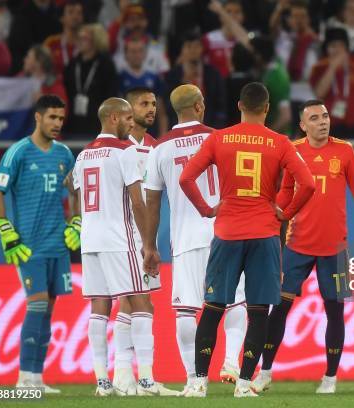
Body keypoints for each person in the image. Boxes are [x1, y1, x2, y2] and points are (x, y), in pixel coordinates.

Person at [252, 100, 354, 394]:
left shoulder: (345, 151)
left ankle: (330, 378)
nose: (322, 121)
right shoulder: (293, 150)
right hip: (297, 245)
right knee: (280, 309)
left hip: (335, 247)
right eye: (314, 118)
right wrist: (268, 220)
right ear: (302, 125)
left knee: (334, 313)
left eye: (324, 116)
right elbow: (285, 192)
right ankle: (266, 371)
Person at [174, 82, 315, 397]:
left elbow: (185, 178)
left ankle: (197, 383)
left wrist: (207, 209)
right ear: (266, 108)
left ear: (240, 106)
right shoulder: (280, 142)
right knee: (257, 311)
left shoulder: (219, 138)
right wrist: (285, 213)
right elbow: (307, 184)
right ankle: (244, 384)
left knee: (212, 308)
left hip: (227, 233)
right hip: (264, 235)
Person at [143, 84, 248, 393]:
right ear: (200, 106)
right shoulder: (221, 138)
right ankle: (231, 361)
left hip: (186, 238)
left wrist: (150, 246)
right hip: (226, 232)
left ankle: (194, 380)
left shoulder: (159, 148)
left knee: (186, 308)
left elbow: (152, 202)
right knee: (236, 300)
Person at [71, 98, 167, 396]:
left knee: (99, 307)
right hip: (119, 238)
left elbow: (73, 190)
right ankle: (147, 380)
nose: (131, 122)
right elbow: (138, 201)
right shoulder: (125, 151)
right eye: (126, 118)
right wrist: (148, 244)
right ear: (113, 118)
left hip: (90, 239)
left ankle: (103, 382)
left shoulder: (83, 155)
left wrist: (81, 220)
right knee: (142, 303)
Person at [0, 95, 78, 393]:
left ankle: (37, 378)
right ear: (38, 117)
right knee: (37, 303)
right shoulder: (19, 152)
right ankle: (24, 377)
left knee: (48, 309)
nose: (57, 124)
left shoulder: (65, 154)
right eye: (52, 117)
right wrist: (5, 229)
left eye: (61, 119)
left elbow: (74, 190)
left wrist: (76, 221)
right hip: (29, 244)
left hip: (57, 244)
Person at [310, 28, 354, 141]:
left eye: (340, 45)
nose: (337, 50)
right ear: (326, 49)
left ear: (347, 48)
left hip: (353, 127)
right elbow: (319, 93)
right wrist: (333, 67)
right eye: (333, 46)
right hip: (328, 126)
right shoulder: (318, 68)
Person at [165, 29, 227, 130]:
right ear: (182, 49)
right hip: (181, 130)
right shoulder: (172, 76)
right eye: (189, 46)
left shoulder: (213, 74)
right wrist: (182, 83)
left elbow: (221, 106)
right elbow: (168, 107)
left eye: (197, 46)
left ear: (202, 48)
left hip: (209, 129)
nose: (193, 50)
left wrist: (216, 129)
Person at [64, 24, 118, 137]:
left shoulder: (106, 64)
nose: (79, 41)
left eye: (84, 38)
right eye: (78, 38)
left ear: (96, 40)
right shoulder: (73, 64)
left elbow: (111, 95)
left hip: (97, 124)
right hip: (73, 123)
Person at [251, 35, 292, 135]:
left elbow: (285, 117)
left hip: (277, 140)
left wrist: (265, 136)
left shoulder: (276, 78)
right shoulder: (269, 67)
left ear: (258, 56)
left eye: (252, 53)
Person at [7, 0, 61, 74]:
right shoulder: (22, 14)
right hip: (26, 73)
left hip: (53, 71)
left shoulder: (58, 13)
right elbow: (16, 50)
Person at [43, 0, 84, 78]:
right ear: (62, 18)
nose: (75, 16)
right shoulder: (51, 43)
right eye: (71, 12)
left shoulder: (88, 43)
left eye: (79, 13)